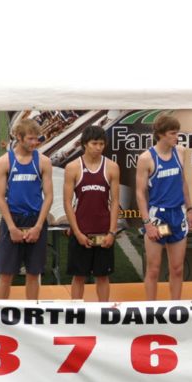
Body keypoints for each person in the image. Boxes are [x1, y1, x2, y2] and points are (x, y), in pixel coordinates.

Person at [135, 111, 192, 301]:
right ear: (161, 134)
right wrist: (147, 223)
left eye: (177, 133)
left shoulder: (180, 152)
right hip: (158, 216)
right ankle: (151, 308)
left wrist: (190, 209)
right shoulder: (146, 158)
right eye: (173, 133)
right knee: (153, 268)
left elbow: (183, 181)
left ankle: (175, 307)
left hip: (177, 214)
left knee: (177, 268)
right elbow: (140, 192)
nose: (177, 137)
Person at [0, 119, 54, 300]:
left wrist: (38, 226)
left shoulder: (43, 162)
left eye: (37, 139)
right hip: (13, 219)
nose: (35, 143)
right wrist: (11, 227)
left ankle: (31, 314)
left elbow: (49, 196)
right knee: (6, 273)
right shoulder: (4, 162)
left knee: (34, 273)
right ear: (18, 137)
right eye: (30, 139)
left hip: (35, 219)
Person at [63, 126, 120, 302]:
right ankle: (76, 312)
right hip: (81, 230)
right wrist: (77, 232)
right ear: (84, 145)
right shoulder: (73, 167)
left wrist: (112, 232)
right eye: (94, 143)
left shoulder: (111, 167)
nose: (98, 147)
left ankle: (103, 312)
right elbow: (67, 202)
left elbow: (116, 201)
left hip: (103, 231)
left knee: (102, 276)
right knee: (79, 276)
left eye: (102, 144)